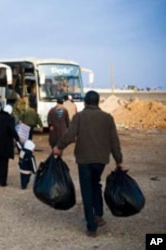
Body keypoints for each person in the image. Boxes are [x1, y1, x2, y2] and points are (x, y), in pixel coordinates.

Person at [53, 90, 124, 237]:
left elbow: (69, 135)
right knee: (96, 183)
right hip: (101, 159)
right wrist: (119, 160)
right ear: (98, 102)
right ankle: (98, 215)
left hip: (84, 159)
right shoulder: (108, 118)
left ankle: (91, 226)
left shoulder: (79, 117)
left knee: (86, 189)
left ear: (85, 102)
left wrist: (59, 147)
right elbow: (114, 142)